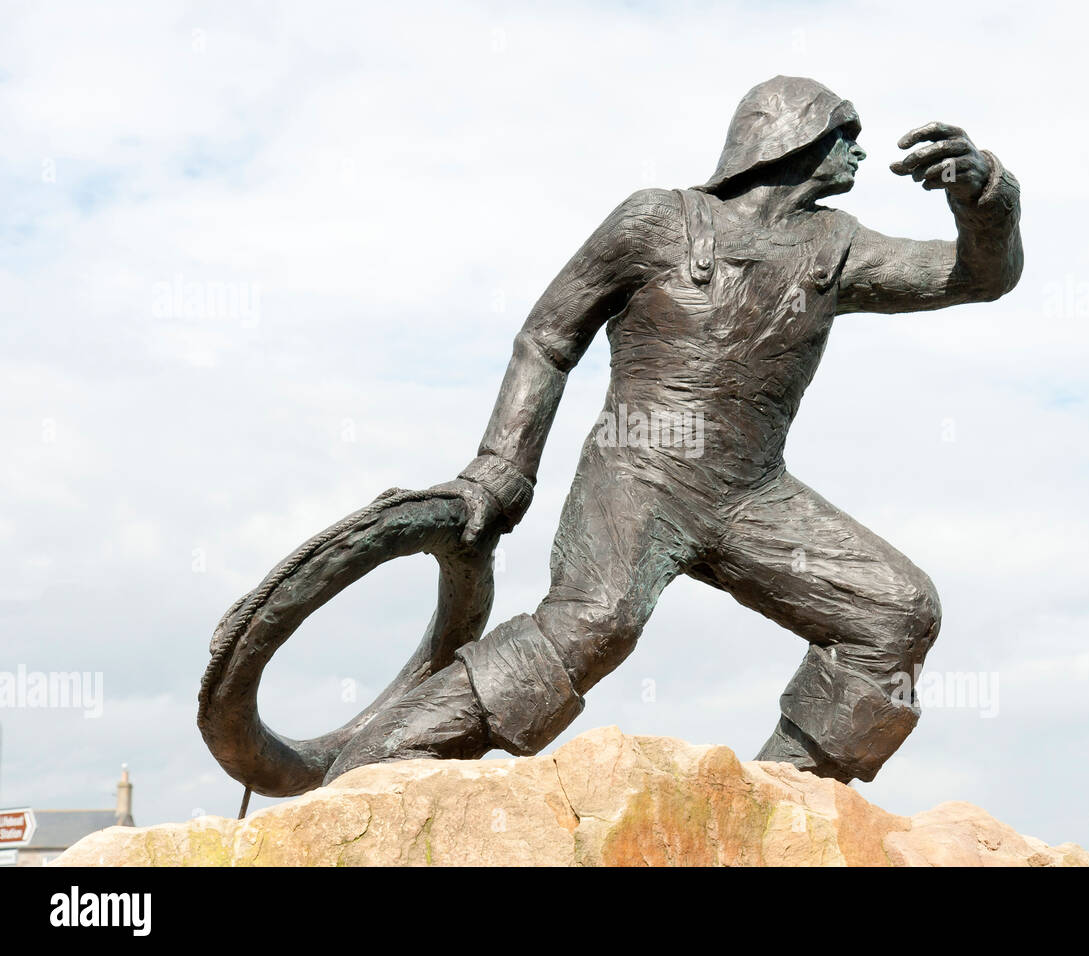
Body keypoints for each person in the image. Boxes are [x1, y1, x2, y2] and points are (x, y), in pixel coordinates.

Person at [326, 75, 1023, 784]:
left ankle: (777, 808)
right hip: (638, 474)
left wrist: (984, 196)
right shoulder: (654, 221)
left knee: (894, 612)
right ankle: (374, 767)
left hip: (752, 493)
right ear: (790, 139)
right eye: (844, 135)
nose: (860, 153)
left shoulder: (835, 246)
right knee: (595, 624)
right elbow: (547, 337)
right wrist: (500, 471)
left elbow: (976, 276)